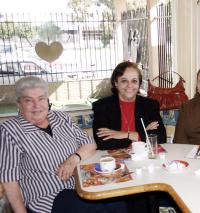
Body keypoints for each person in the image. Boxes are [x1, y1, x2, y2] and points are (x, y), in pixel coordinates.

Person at [0, 77, 126, 213]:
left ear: (47, 100)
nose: (37, 106)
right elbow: (9, 178)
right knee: (96, 209)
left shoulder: (60, 117)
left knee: (117, 201)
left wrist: (73, 159)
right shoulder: (10, 131)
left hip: (81, 185)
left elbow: (90, 143)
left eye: (41, 99)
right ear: (19, 104)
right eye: (29, 100)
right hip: (47, 196)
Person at [92, 61, 166, 150]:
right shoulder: (102, 106)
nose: (129, 85)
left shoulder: (150, 105)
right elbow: (102, 143)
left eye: (134, 81)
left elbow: (161, 138)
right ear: (116, 83)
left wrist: (125, 134)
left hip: (143, 156)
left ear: (139, 84)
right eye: (124, 81)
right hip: (113, 159)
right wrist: (143, 133)